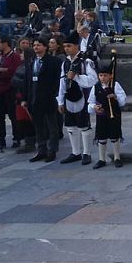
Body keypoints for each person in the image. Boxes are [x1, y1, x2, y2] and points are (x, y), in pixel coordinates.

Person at [57, 32, 98, 166]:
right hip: (69, 97)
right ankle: (75, 152)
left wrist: (76, 77)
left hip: (82, 97)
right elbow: (62, 82)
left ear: (76, 46)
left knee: (84, 126)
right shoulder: (65, 63)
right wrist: (60, 100)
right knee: (70, 126)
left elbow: (93, 80)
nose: (66, 49)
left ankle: (86, 153)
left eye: (69, 46)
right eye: (65, 46)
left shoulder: (86, 61)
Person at [21, 37, 63, 162]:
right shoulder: (31, 61)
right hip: (34, 98)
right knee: (38, 127)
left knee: (52, 126)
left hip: (49, 98)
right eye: (34, 45)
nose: (36, 47)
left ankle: (52, 150)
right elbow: (27, 81)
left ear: (45, 47)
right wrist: (24, 98)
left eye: (38, 45)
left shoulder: (53, 61)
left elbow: (58, 80)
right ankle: (41, 149)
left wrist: (56, 95)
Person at [0, 37, 22, 149]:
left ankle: (17, 138)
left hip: (10, 90)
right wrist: (0, 70)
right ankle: (1, 140)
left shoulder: (15, 56)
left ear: (5, 43)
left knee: (13, 115)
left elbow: (14, 71)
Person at [89, 62, 126, 169]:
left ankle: (117, 157)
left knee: (114, 135)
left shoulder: (115, 85)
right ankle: (102, 159)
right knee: (101, 136)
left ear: (110, 76)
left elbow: (123, 100)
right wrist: (94, 107)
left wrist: (115, 97)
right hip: (102, 115)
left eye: (105, 75)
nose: (103, 78)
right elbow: (91, 101)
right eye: (100, 75)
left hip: (114, 114)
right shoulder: (95, 87)